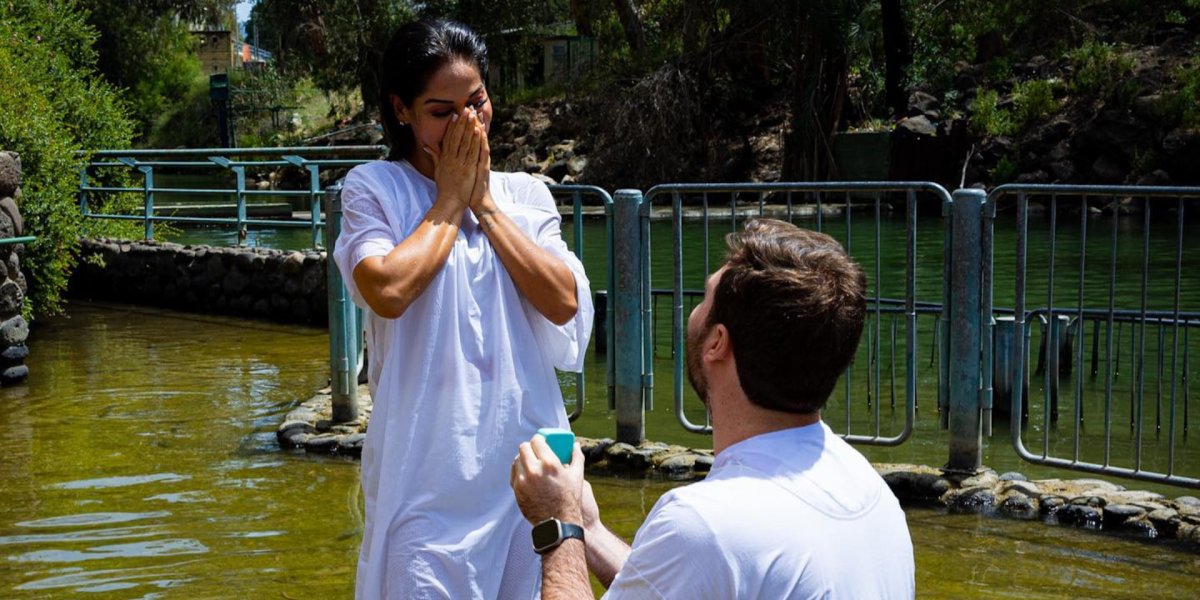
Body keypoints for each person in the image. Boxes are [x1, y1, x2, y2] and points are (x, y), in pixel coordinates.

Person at [511, 219, 915, 599]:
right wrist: (591, 530)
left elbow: (711, 549)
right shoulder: (869, 489)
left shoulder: (703, 525)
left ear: (717, 342)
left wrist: (558, 525)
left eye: (704, 299)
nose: (694, 313)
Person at [333, 19, 594, 599]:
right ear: (402, 110)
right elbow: (387, 290)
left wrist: (485, 204)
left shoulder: (526, 196)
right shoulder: (374, 189)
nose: (467, 124)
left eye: (476, 103)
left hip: (528, 475)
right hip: (424, 481)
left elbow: (563, 302)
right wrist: (452, 199)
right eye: (442, 111)